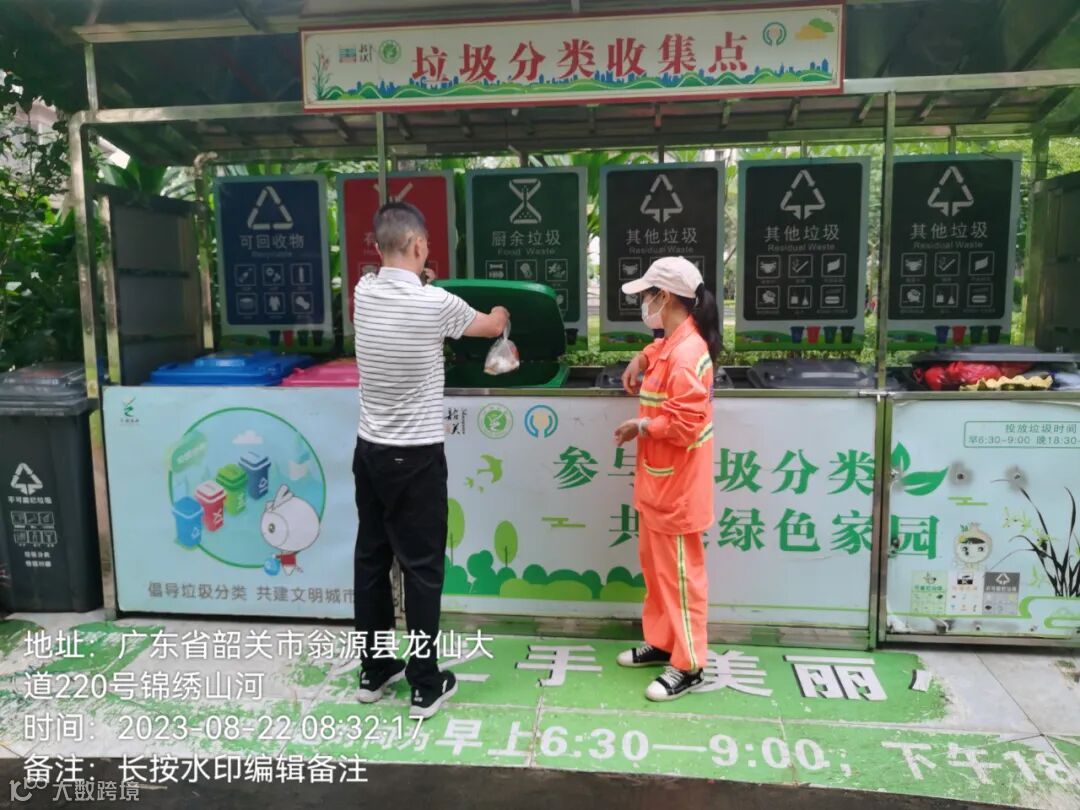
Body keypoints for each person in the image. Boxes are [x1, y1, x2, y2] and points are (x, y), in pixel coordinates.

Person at [352, 201, 508, 719]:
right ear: (419, 246)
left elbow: (399, 285)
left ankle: (375, 670)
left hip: (369, 452)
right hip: (416, 457)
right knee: (421, 571)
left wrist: (421, 279)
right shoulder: (436, 304)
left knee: (372, 560)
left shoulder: (363, 293)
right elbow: (489, 326)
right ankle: (424, 683)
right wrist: (502, 314)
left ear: (379, 247)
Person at [613, 256, 722, 701]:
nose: (644, 303)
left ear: (666, 297)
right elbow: (660, 352)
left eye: (647, 295)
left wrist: (641, 425)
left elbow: (686, 425)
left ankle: (689, 663)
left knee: (680, 577)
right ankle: (662, 642)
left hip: (676, 492)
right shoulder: (674, 343)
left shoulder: (688, 353)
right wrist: (640, 357)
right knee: (658, 572)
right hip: (659, 486)